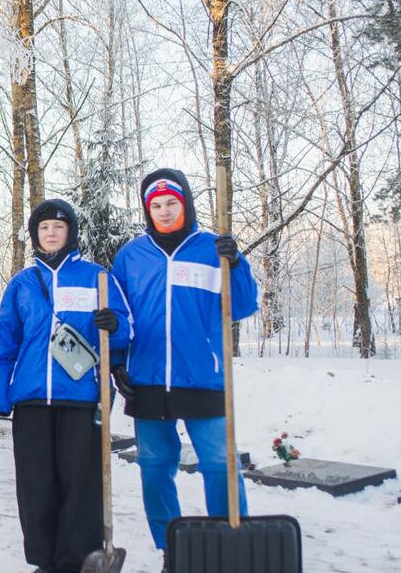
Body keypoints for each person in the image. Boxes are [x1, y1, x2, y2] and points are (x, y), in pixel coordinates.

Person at [109, 168, 259, 566]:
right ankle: (170, 548)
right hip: (148, 379)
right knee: (155, 467)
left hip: (203, 377)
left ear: (186, 204)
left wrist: (236, 262)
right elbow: (120, 318)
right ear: (146, 210)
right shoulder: (131, 256)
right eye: (155, 205)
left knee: (219, 463)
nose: (163, 211)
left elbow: (242, 306)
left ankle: (231, 542)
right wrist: (118, 362)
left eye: (171, 203)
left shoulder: (211, 247)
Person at [0, 198, 132, 573]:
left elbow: (125, 331)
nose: (51, 234)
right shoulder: (21, 284)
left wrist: (114, 327)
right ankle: (45, 561)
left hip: (81, 397)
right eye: (44, 228)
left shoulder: (96, 277)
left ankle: (77, 560)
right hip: (32, 399)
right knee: (36, 486)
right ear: (36, 235)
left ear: (71, 232)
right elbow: (6, 342)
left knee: (80, 483)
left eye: (58, 227)